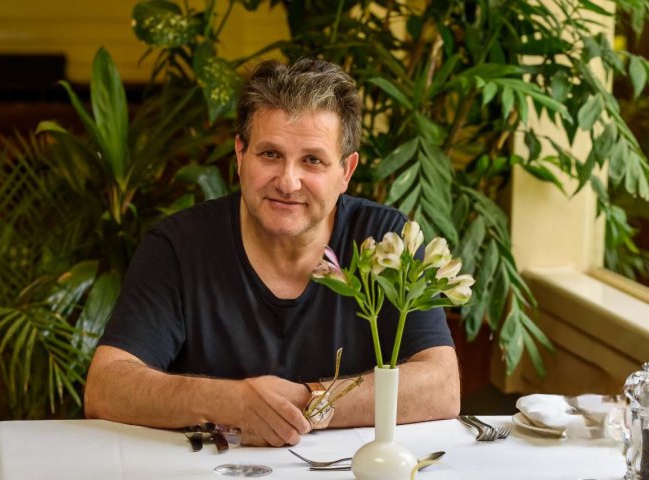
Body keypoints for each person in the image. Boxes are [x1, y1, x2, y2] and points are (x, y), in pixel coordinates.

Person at [84, 58, 460, 447]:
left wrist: (308, 401)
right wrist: (230, 402)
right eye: (270, 155)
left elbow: (442, 386)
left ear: (346, 172)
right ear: (240, 155)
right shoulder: (177, 246)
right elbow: (106, 386)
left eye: (312, 160)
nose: (288, 182)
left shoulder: (386, 242)